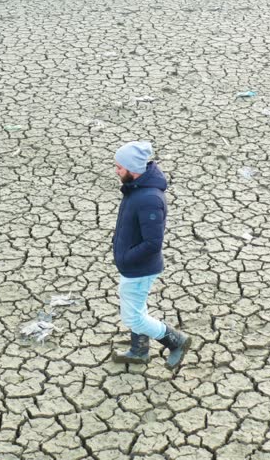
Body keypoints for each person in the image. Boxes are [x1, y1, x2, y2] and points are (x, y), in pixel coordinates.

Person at [111, 141, 191, 369]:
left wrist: (126, 257)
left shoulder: (149, 199)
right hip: (133, 266)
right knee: (137, 310)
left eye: (119, 167)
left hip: (138, 269)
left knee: (133, 317)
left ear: (132, 169)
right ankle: (139, 351)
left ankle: (176, 340)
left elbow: (153, 243)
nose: (116, 170)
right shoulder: (136, 189)